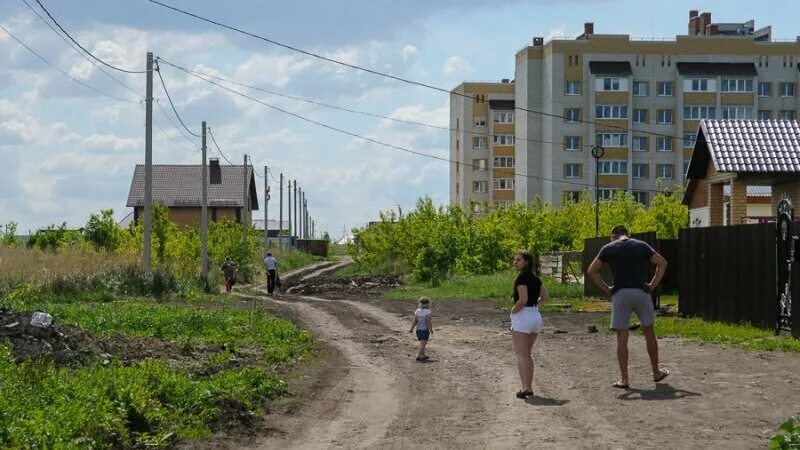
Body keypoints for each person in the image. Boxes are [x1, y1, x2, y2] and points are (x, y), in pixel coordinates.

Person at [587, 225, 670, 389]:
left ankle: (624, 379)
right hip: (641, 292)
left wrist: (607, 289)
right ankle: (656, 372)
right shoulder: (641, 245)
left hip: (621, 294)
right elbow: (662, 263)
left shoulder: (608, 248)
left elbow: (591, 271)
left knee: (622, 337)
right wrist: (652, 285)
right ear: (628, 234)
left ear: (613, 236)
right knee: (649, 333)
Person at [510, 250, 548, 399]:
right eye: (515, 260)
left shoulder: (521, 279)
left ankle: (526, 387)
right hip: (535, 316)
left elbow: (523, 300)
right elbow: (545, 297)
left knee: (521, 354)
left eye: (518, 260)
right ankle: (529, 386)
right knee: (527, 354)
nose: (515, 262)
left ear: (526, 261)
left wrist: (513, 311)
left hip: (523, 316)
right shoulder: (536, 279)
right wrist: (535, 307)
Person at [409, 297, 433, 362]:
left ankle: (423, 355)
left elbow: (415, 321)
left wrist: (411, 329)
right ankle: (419, 355)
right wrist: (431, 330)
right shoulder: (428, 312)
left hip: (418, 330)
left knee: (422, 343)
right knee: (423, 344)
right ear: (428, 304)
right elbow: (428, 322)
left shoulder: (417, 311)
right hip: (424, 330)